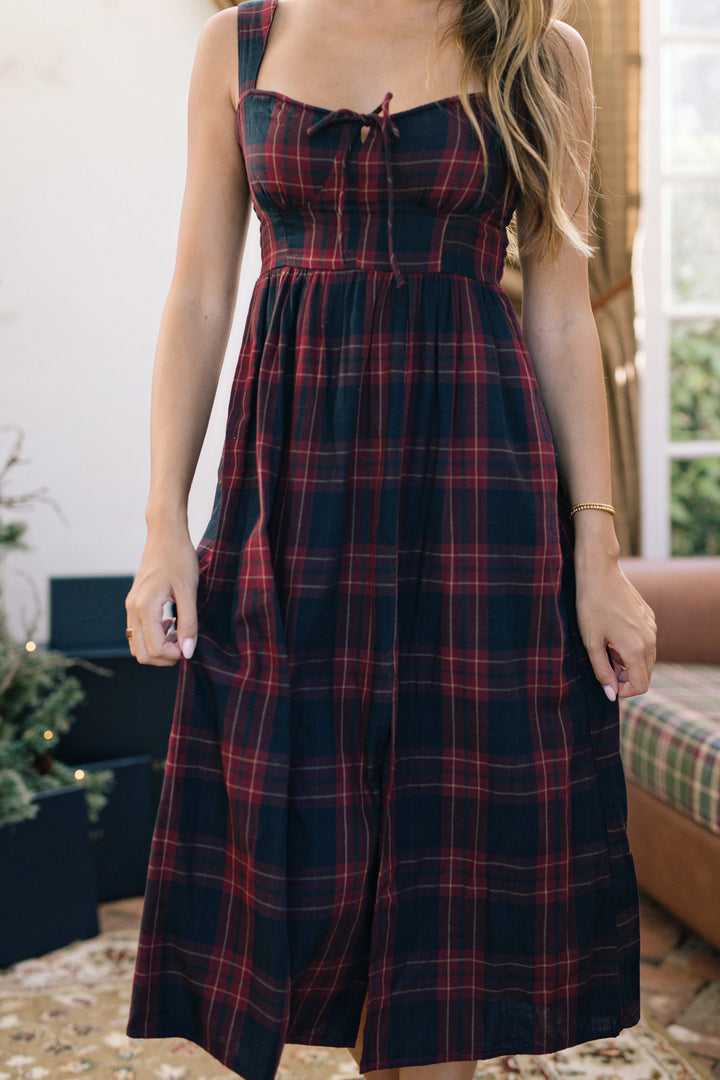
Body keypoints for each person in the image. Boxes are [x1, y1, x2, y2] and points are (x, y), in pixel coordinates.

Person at [124, 1, 658, 1079]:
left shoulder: (537, 49)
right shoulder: (240, 44)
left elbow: (560, 309)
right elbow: (200, 292)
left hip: (476, 496)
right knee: (287, 820)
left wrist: (597, 555)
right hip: (291, 496)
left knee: (451, 853)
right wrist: (162, 524)